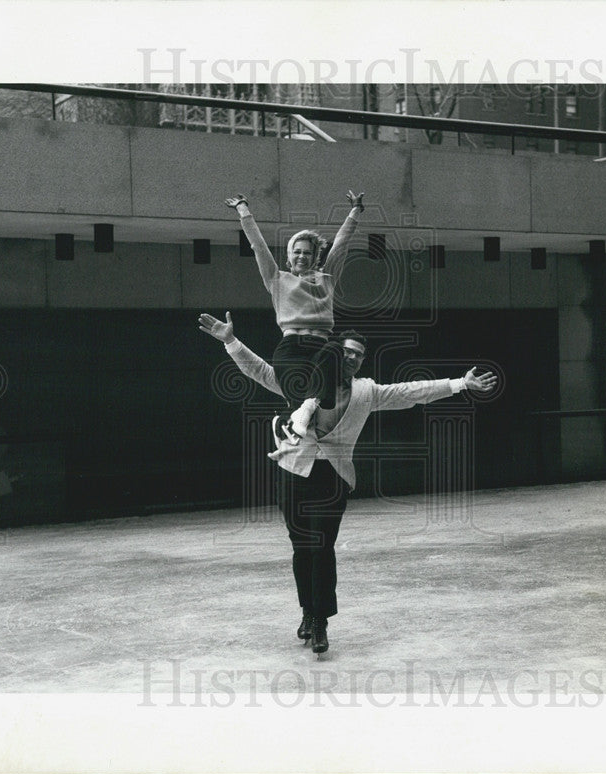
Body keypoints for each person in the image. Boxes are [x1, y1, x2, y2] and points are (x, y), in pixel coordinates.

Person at [198, 311, 498, 656]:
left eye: (360, 354)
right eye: (349, 351)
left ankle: (321, 622)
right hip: (294, 471)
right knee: (301, 547)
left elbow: (409, 392)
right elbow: (261, 371)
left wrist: (460, 383)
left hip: (333, 477)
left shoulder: (365, 391)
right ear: (335, 353)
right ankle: (308, 613)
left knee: (322, 548)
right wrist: (231, 342)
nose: (354, 357)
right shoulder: (303, 380)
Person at [224, 191, 365, 459]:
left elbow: (341, 245)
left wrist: (355, 211)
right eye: (297, 252)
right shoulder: (277, 279)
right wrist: (244, 211)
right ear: (290, 256)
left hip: (321, 350)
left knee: (332, 365)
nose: (302, 256)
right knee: (311, 402)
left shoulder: (327, 277)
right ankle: (292, 430)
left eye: (308, 253)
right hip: (290, 350)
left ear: (315, 257)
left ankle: (288, 427)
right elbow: (259, 247)